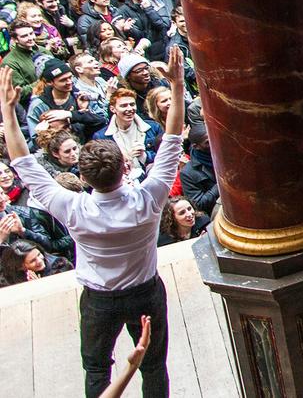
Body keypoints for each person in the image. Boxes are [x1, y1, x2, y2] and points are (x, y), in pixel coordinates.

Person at [3, 47, 185, 398]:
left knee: (98, 369)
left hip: (99, 299)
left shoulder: (72, 206)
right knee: (153, 366)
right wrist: (176, 86)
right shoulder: (150, 197)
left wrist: (9, 111)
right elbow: (173, 140)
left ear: (84, 177)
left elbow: (22, 162)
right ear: (125, 168)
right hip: (145, 291)